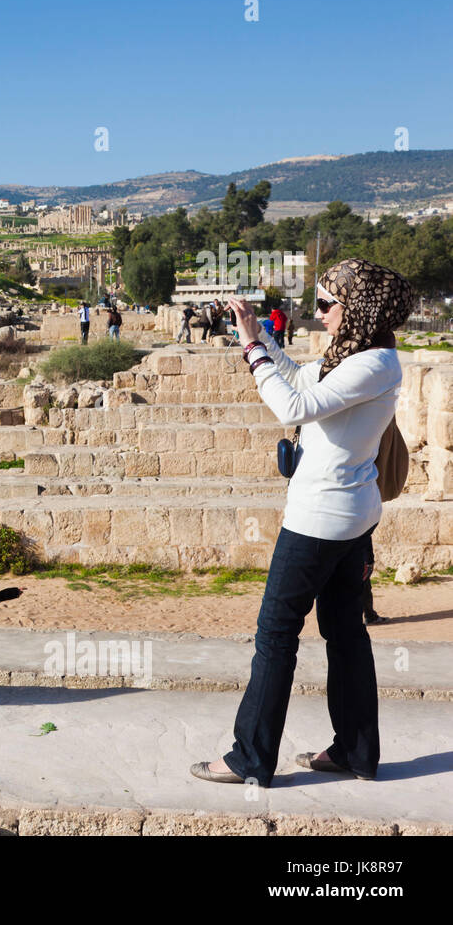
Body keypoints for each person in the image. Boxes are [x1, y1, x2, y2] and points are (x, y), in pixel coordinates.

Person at [190, 259, 414, 788]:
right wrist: (259, 335)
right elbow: (297, 377)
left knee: (275, 636)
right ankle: (355, 752)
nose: (318, 315)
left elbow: (290, 402)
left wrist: (250, 352)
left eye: (325, 304)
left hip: (320, 522)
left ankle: (251, 758)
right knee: (344, 633)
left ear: (355, 309)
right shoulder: (353, 357)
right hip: (349, 519)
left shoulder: (374, 363)